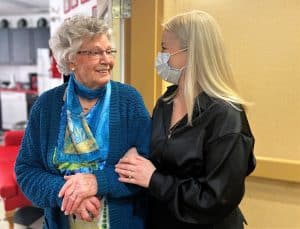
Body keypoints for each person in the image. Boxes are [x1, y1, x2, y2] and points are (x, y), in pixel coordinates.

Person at [115, 10, 256, 229]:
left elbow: (215, 199)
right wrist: (137, 152)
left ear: (191, 53)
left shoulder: (226, 116)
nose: (160, 55)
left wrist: (154, 179)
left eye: (164, 48)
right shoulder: (166, 101)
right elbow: (160, 153)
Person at [15, 15, 151, 229]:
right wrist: (68, 194)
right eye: (96, 52)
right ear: (71, 59)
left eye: (109, 51)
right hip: (62, 222)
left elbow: (148, 166)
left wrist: (98, 181)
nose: (107, 60)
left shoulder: (128, 101)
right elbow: (26, 170)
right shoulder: (46, 105)